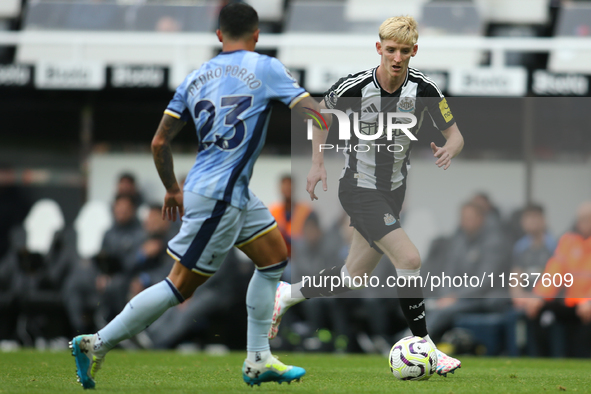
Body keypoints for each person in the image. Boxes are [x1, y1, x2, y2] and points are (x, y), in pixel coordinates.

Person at [69, 3, 322, 388]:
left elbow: (159, 142)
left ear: (218, 35)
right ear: (256, 35)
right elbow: (314, 113)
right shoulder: (266, 67)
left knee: (274, 259)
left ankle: (258, 359)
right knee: (179, 286)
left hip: (223, 190)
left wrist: (172, 187)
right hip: (220, 196)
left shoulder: (195, 77)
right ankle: (96, 343)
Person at [269, 16, 464, 376]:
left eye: (404, 51)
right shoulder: (356, 86)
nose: (397, 57)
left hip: (392, 193)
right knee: (409, 258)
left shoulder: (425, 90)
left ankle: (287, 294)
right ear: (379, 48)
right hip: (359, 187)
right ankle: (427, 347)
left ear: (414, 52)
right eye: (390, 50)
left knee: (353, 275)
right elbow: (318, 116)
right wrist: (316, 164)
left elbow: (455, 134)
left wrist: (449, 149)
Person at [522, 201, 591, 357]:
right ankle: (539, 363)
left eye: (587, 218)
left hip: (587, 305)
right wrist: (539, 297)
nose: (583, 223)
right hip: (572, 303)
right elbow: (554, 271)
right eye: (581, 219)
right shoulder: (568, 241)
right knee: (537, 311)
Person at [268, 175, 312, 257]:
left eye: (289, 185)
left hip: (300, 254)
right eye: (285, 185)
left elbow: (312, 236)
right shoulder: (273, 211)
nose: (287, 188)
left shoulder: (306, 210)